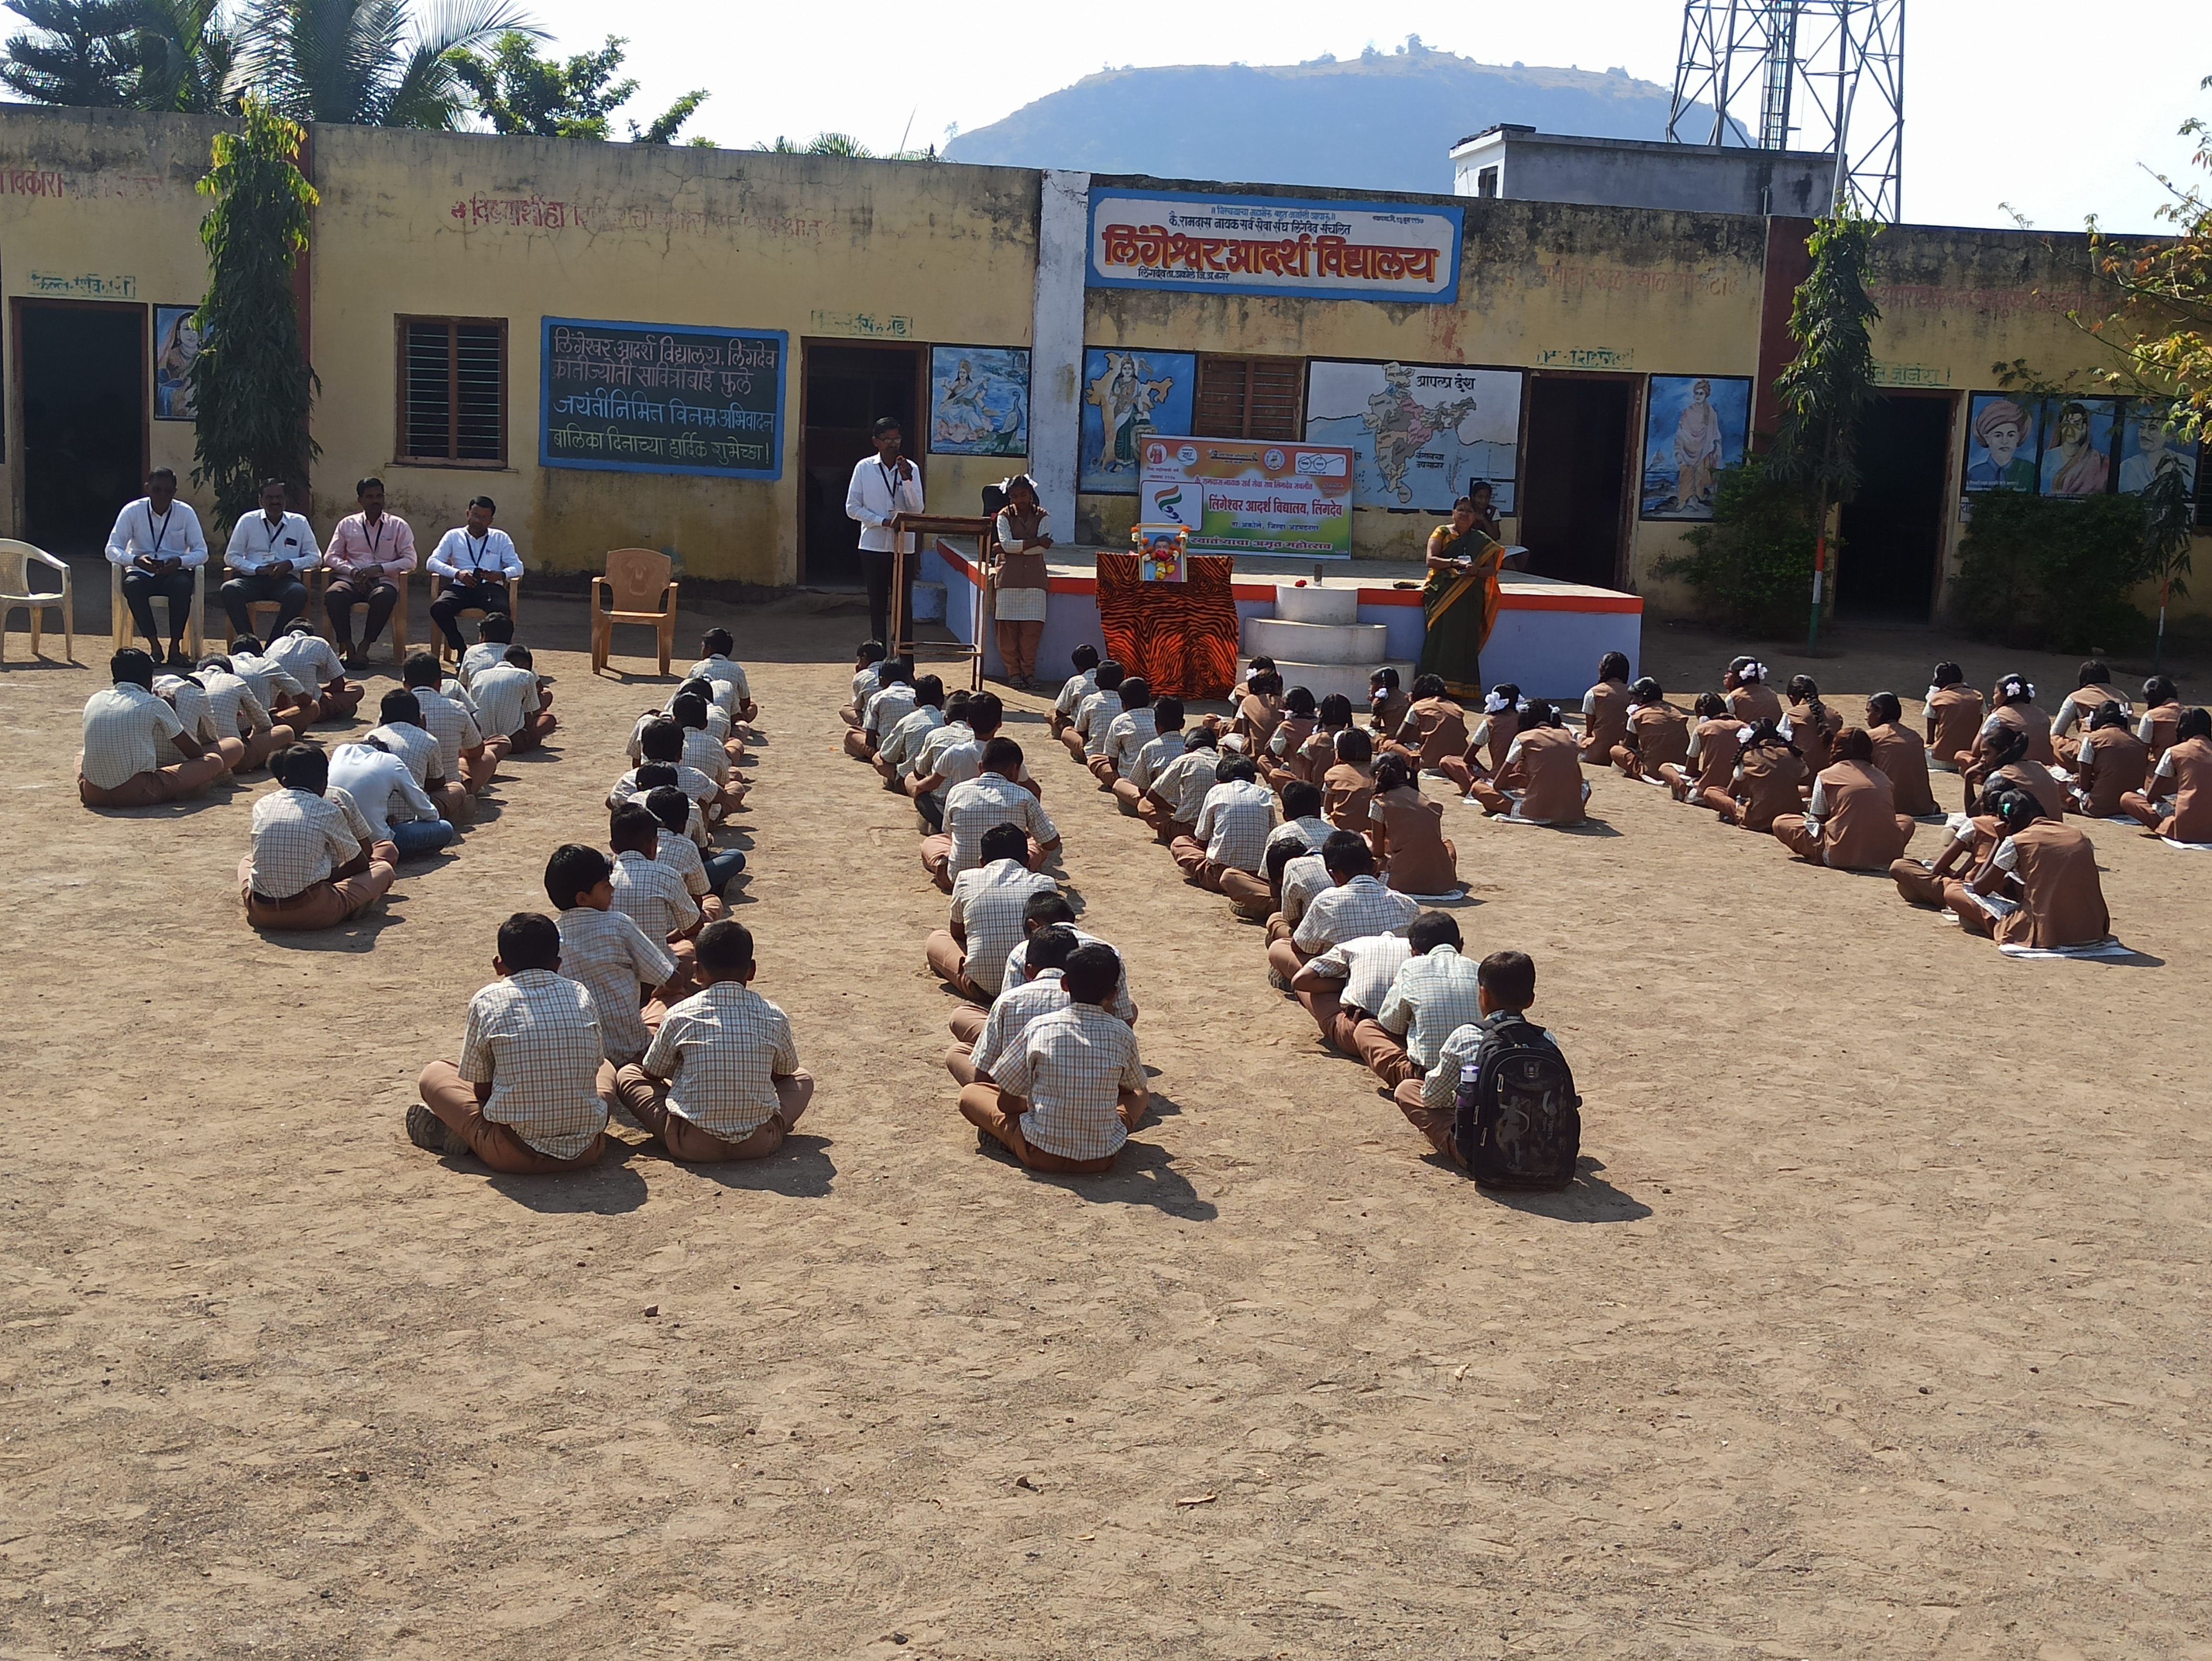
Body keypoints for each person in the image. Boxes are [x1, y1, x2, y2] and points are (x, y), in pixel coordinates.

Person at [407, 912, 609, 1174]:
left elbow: (482, 1092)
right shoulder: (580, 992)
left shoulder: (487, 1000)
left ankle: (464, 1134)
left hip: (513, 1153)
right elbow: (594, 1066)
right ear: (558, 964)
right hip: (588, 1149)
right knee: (607, 1069)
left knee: (434, 1074)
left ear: (499, 965)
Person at [608, 920, 814, 1163]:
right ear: (752, 970)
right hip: (758, 1142)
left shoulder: (679, 1013)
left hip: (692, 1145)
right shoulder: (773, 1014)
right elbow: (785, 1073)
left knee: (628, 1074)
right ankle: (767, 1124)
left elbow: (652, 1073)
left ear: (697, 971)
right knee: (802, 1078)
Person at [957, 944, 1147, 1175]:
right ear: (1114, 994)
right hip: (1102, 1157)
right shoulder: (1122, 1033)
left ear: (1065, 984)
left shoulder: (1040, 1027)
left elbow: (1005, 1104)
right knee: (1142, 1093)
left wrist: (1039, 1103)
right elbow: (1132, 1087)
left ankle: (1008, 1140)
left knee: (971, 1094)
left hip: (1040, 1153)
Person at [1392, 950, 1553, 1170]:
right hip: (1541, 1154)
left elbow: (1431, 1098)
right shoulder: (1546, 1039)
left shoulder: (1466, 1035)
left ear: (1483, 995)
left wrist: (1460, 1100)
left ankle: (1460, 1150)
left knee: (1407, 1090)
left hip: (1484, 1155)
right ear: (1531, 1000)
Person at [240, 742, 398, 930]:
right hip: (313, 911)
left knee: (247, 861)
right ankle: (349, 906)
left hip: (261, 911)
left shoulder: (263, 804)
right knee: (384, 869)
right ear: (325, 781)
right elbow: (360, 863)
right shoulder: (328, 808)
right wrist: (326, 877)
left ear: (284, 780)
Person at [545, 842, 676, 1067]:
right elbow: (671, 980)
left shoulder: (551, 938)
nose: (613, 890)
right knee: (674, 995)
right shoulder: (618, 925)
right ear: (583, 899)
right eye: (606, 886)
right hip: (632, 1050)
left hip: (585, 1059)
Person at [1945, 785, 2111, 948]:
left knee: (1954, 892)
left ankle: (2009, 928)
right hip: (2092, 929)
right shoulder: (2079, 835)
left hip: (2048, 932)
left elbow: (1980, 887)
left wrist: (2000, 840)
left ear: (2007, 822)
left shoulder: (2017, 841)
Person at [78, 647, 230, 807]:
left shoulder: (95, 699)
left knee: (80, 755)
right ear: (149, 680)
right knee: (213, 762)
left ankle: (87, 783)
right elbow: (194, 753)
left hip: (93, 793)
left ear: (115, 678)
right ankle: (181, 792)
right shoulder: (154, 703)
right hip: (137, 792)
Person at [927, 822, 1060, 1003]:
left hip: (984, 988)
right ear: (1028, 861)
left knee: (937, 940)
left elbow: (957, 933)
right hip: (1032, 986)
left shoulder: (966, 879)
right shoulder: (1046, 884)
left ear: (982, 862)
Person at [1267, 832, 1421, 986]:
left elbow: (1299, 946)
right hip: (1393, 977)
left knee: (1278, 947)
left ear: (1334, 875)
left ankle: (1339, 989)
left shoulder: (1326, 900)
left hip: (1345, 977)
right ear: (1375, 867)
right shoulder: (1406, 903)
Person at [948, 922, 1075, 1089]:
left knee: (957, 1054)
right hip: (1080, 1100)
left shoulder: (1008, 1001)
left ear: (1028, 970)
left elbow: (983, 1079)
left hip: (1019, 1105)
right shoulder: (1089, 1001)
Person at [923, 737, 1061, 890]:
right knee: (1037, 843)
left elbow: (949, 833)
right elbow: (1051, 842)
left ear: (981, 767)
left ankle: (943, 869)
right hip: (1011, 879)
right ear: (1014, 770)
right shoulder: (1024, 796)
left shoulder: (957, 791)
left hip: (961, 879)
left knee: (931, 843)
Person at [1770, 727, 1915, 870]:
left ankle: (1832, 853)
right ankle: (1878, 853)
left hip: (1839, 853)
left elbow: (1817, 821)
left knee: (1781, 822)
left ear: (1835, 749)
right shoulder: (1883, 778)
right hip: (1886, 856)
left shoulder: (1826, 776)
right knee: (1906, 821)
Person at [1372, 911, 1486, 1091]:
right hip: (1477, 1075)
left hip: (1428, 1076)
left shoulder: (1411, 967)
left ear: (1414, 952)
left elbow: (1390, 1024)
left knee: (1366, 1030)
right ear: (1461, 945)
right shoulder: (1479, 969)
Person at [106, 467, 208, 665]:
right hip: (142, 571)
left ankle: (175, 648)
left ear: (175, 491)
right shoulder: (132, 511)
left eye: (168, 491)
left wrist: (180, 561)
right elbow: (112, 549)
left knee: (182, 586)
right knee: (133, 586)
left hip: (174, 571)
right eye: (157, 490)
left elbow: (202, 552)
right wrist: (135, 560)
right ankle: (154, 647)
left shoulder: (185, 513)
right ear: (147, 489)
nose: (163, 496)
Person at [609, 803, 703, 1004]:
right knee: (696, 938)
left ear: (613, 847)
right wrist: (669, 938)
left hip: (614, 983)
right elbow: (694, 925)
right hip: (660, 980)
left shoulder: (601, 881)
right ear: (654, 845)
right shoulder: (666, 874)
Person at [1414, 493, 1504, 699]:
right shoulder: (1442, 532)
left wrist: (1475, 571)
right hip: (1443, 594)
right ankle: (1430, 688)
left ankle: (1462, 690)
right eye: (1461, 510)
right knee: (1440, 638)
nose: (1465, 514)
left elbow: (1491, 569)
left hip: (1469, 596)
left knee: (1465, 640)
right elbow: (1431, 560)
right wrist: (1456, 563)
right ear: (1453, 513)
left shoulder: (1481, 540)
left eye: (1469, 511)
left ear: (1475, 517)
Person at [847, 416, 927, 648]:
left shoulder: (911, 468)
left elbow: (917, 509)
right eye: (888, 440)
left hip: (904, 546)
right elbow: (852, 508)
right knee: (877, 604)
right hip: (873, 544)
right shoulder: (864, 468)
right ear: (876, 442)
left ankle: (905, 661)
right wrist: (881, 522)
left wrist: (908, 480)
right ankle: (879, 659)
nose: (893, 444)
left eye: (897, 439)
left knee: (903, 606)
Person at [322, 476, 417, 665]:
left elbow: (411, 560)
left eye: (379, 496)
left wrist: (380, 569)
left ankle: (364, 647)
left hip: (383, 579)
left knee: (384, 596)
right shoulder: (347, 524)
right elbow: (330, 557)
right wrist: (352, 571)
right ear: (360, 500)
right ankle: (348, 647)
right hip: (352, 579)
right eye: (370, 497)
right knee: (334, 594)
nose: (376, 501)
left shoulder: (398, 525)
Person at [1288, 929, 1413, 1067]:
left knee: (1307, 987)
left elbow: (1300, 979)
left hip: (1360, 1033)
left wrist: (1351, 983)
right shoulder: (1424, 955)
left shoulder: (1356, 944)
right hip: (1409, 1036)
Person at [1172, 753, 1278, 913]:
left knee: (1179, 843)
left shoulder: (1216, 791)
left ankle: (1203, 874)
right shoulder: (1263, 794)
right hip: (1255, 876)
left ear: (1219, 781)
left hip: (1219, 874)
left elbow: (1201, 840)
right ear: (1254, 780)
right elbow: (1271, 838)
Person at [328, 732, 453, 861]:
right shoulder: (391, 761)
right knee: (444, 828)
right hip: (376, 843)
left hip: (337, 842)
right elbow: (428, 813)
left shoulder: (341, 752)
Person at [425, 496, 523, 653]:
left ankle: (491, 654)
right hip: (461, 587)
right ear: (468, 514)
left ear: (490, 521)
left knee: (501, 613)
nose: (478, 521)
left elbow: (518, 567)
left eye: (484, 518)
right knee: (439, 608)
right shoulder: (453, 536)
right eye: (475, 515)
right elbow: (432, 562)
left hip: (490, 587)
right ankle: (461, 649)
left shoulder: (500, 538)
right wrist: (457, 574)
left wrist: (501, 575)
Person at [220, 479, 317, 636]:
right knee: (230, 589)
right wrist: (256, 569)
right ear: (261, 501)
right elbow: (231, 557)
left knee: (299, 593)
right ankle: (249, 642)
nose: (275, 502)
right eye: (269, 498)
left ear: (286, 500)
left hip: (285, 580)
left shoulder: (299, 523)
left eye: (279, 497)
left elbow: (315, 557)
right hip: (253, 579)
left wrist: (290, 564)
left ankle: (274, 644)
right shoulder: (248, 521)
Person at [1465, 700, 1588, 825]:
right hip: (1572, 813)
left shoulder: (1523, 738)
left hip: (1536, 811)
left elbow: (1498, 784)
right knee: (1585, 785)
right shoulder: (1569, 737)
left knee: (1478, 788)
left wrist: (1514, 781)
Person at [401, 651, 492, 813]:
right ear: (440, 683)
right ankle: (452, 805)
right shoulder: (456, 708)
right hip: (445, 787)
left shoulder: (394, 708)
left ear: (405, 684)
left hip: (403, 791)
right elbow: (477, 751)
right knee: (488, 755)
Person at [989, 473, 1052, 688]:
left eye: (1024, 495)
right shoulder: (1003, 516)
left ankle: (1029, 673)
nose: (1020, 500)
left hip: (1035, 579)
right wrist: (1035, 543)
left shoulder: (1044, 515)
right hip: (1008, 578)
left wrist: (1011, 547)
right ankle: (1013, 673)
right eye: (1015, 496)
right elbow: (1011, 544)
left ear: (1031, 494)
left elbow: (1008, 546)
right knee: (1007, 629)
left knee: (1032, 631)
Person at [1368, 753, 1458, 894]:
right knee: (1446, 844)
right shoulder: (1425, 800)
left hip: (1403, 881)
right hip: (1442, 883)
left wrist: (1368, 840)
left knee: (1368, 843)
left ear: (1376, 777)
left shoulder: (1380, 802)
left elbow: (1378, 852)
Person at [2121, 706, 2212, 840]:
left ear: (2181, 728)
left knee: (2128, 798)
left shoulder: (2175, 752)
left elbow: (2151, 796)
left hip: (2185, 829)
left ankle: (2164, 826)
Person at [647, 783, 743, 910]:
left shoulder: (639, 835)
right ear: (683, 825)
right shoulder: (687, 845)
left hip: (640, 898)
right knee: (713, 900)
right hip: (681, 902)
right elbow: (697, 898)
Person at [193, 653, 294, 772]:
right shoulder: (235, 681)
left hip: (192, 757)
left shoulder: (187, 682)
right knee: (286, 732)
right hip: (231, 756)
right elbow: (264, 724)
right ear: (230, 671)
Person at [262, 618, 363, 722]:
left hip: (275, 706)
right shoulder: (319, 643)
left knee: (348, 708)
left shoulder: (275, 645)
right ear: (311, 634)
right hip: (307, 708)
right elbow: (339, 686)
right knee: (356, 688)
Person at [1385, 674, 1474, 792]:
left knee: (1388, 745)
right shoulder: (1456, 708)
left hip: (1429, 764)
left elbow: (1400, 738)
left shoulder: (1417, 707)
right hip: (1456, 764)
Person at [1138, 726, 1221, 842]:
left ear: (1186, 749)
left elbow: (1152, 795)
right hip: (1216, 831)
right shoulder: (1223, 764)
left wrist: (1173, 810)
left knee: (1144, 804)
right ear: (1216, 750)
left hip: (1188, 830)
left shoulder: (1186, 760)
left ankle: (1167, 833)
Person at [2069, 700, 2149, 819]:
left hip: (2099, 807)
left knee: (2058, 786)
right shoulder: (2139, 743)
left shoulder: (2092, 740)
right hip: (2129, 807)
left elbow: (2084, 785)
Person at [1970, 722, 2067, 821]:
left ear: (2003, 751)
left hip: (2027, 833)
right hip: (2055, 827)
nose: (1982, 760)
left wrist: (1968, 779)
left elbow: (1973, 814)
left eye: (1986, 754)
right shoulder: (2039, 767)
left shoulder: (2001, 776)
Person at [1863, 692, 1939, 817]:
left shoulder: (1871, 737)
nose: (1867, 717)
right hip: (1923, 808)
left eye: (1869, 711)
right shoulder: (1915, 737)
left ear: (1879, 712)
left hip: (1890, 807)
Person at [473, 645, 558, 753]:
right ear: (526, 665)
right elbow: (529, 720)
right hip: (513, 742)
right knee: (548, 718)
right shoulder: (526, 675)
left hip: (483, 740)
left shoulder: (479, 676)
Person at [1727, 720, 1806, 831]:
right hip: (1790, 815)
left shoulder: (1749, 756)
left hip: (1757, 819)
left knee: (1712, 793)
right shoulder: (1793, 754)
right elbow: (1806, 777)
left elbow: (1732, 792)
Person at [1662, 692, 1737, 807]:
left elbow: (1690, 770)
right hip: (1737, 792)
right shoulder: (1746, 728)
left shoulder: (1702, 729)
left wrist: (1704, 775)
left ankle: (1686, 792)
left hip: (1707, 791)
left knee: (1666, 768)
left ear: (1702, 715)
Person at [2049, 661, 2132, 764]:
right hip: (2122, 750)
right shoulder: (2123, 697)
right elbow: (2128, 731)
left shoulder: (2076, 698)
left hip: (2090, 752)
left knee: (2053, 740)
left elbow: (2056, 732)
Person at [1609, 676, 1689, 782]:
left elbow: (1629, 746)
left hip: (1652, 773)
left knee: (1616, 750)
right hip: (1678, 770)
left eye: (1633, 698)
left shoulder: (1637, 717)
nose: (1631, 702)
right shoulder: (1677, 714)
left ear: (1641, 698)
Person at [1113, 694, 1183, 814]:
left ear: (1156, 725)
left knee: (1120, 784)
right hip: (1187, 806)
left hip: (1161, 808)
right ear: (1183, 724)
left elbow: (1141, 788)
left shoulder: (1151, 749)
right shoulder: (1189, 746)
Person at [1980, 672, 2056, 767]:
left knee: (1963, 756)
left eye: (1996, 693)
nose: (1993, 697)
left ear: (2004, 696)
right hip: (2045, 769)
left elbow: (1977, 750)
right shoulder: (2042, 714)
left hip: (2012, 769)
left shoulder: (1997, 717)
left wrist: (1988, 717)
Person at [1094, 675, 1156, 787]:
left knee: (1095, 759)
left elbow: (1113, 761)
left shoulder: (1120, 722)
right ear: (1149, 698)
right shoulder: (1158, 718)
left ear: (1123, 704)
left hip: (1130, 781)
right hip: (1157, 781)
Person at [1924, 662, 1986, 772]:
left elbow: (1930, 740)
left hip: (1940, 759)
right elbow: (1979, 727)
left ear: (1938, 679)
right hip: (1970, 759)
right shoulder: (1978, 697)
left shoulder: (1935, 699)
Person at [688, 628, 758, 724]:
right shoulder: (737, 669)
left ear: (709, 648)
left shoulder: (697, 668)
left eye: (703, 647)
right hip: (728, 716)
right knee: (753, 707)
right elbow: (745, 703)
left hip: (698, 714)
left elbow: (686, 692)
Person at [1966, 398, 2037, 490]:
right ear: (1987, 439)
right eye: (1998, 436)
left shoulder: (2029, 470)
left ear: (2018, 437)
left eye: (2011, 435)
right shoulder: (1974, 473)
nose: (2005, 441)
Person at [1578, 652, 1634, 764]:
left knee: (1577, 735)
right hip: (1623, 755)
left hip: (1597, 755)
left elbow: (1590, 732)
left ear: (1603, 669)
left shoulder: (1593, 693)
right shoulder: (1633, 695)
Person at [1065, 660, 1126, 761]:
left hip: (1093, 754)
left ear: (1096, 681)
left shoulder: (1090, 700)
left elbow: (1080, 730)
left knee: (1067, 732)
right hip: (1118, 757)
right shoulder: (1126, 702)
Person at [1782, 675, 1841, 778]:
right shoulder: (1836, 716)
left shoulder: (1793, 714)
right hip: (1829, 775)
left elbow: (1779, 741)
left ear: (1793, 697)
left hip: (1801, 777)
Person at [1261, 687, 1319, 791]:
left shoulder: (1288, 726)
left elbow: (1271, 751)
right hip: (1318, 778)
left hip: (1300, 779)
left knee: (1264, 762)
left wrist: (1281, 725)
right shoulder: (1320, 725)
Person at [1322, 726, 1379, 830]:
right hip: (1374, 830)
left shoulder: (1333, 774)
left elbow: (1327, 809)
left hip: (1342, 830)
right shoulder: (1379, 773)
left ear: (1340, 751)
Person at [1050, 644, 1101, 738]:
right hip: (1103, 728)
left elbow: (1061, 711)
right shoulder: (1110, 679)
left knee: (1051, 714)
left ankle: (1059, 735)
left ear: (1079, 668)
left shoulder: (1075, 682)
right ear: (1099, 662)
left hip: (1083, 731)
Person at [2137, 676, 2185, 764]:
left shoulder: (2150, 717)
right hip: (2186, 767)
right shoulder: (2187, 714)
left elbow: (2142, 750)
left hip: (2163, 766)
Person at [1723, 657, 1782, 725]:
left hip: (1749, 735)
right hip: (1775, 734)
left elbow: (1725, 725)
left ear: (1738, 677)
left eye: (1729, 673)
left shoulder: (1733, 698)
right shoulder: (1771, 693)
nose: (1725, 676)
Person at [1367, 666, 1411, 740]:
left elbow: (1374, 725)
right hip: (1410, 737)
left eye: (1372, 684)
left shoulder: (1380, 701)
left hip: (1393, 739)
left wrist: (1374, 705)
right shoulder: (1407, 697)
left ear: (1381, 684)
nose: (1370, 688)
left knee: (1364, 729)